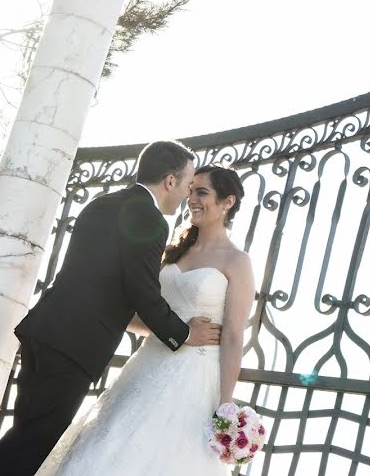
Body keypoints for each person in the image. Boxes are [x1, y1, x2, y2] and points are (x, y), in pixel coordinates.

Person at [0, 141, 224, 476]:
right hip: (74, 346)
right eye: (187, 184)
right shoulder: (148, 217)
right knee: (33, 441)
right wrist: (184, 333)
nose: (186, 195)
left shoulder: (103, 203)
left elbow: (104, 281)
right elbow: (143, 292)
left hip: (46, 331)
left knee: (24, 435)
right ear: (169, 181)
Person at [37, 164, 255, 475]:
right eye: (190, 191)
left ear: (227, 202)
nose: (192, 198)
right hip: (147, 365)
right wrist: (178, 331)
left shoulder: (237, 261)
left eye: (202, 192)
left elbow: (233, 335)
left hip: (194, 379)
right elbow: (137, 312)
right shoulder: (171, 252)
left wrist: (226, 404)